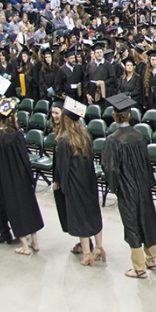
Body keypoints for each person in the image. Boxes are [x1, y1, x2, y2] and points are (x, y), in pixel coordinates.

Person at [100, 93, 156, 279]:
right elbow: (146, 162)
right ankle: (151, 259)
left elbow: (110, 168)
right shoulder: (139, 135)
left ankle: (139, 268)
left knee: (132, 223)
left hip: (127, 187)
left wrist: (115, 187)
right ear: (129, 115)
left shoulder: (112, 140)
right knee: (147, 219)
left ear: (114, 115)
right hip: (143, 185)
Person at [0, 99, 43, 256]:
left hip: (6, 181)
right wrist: (30, 178)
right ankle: (35, 242)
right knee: (28, 208)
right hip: (21, 179)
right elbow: (25, 159)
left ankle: (25, 246)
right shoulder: (17, 136)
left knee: (15, 211)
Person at [53, 97, 104, 266]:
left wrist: (62, 186)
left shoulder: (64, 140)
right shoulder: (86, 136)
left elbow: (63, 168)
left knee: (80, 216)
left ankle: (87, 254)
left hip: (75, 185)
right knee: (93, 213)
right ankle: (98, 247)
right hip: (89, 182)